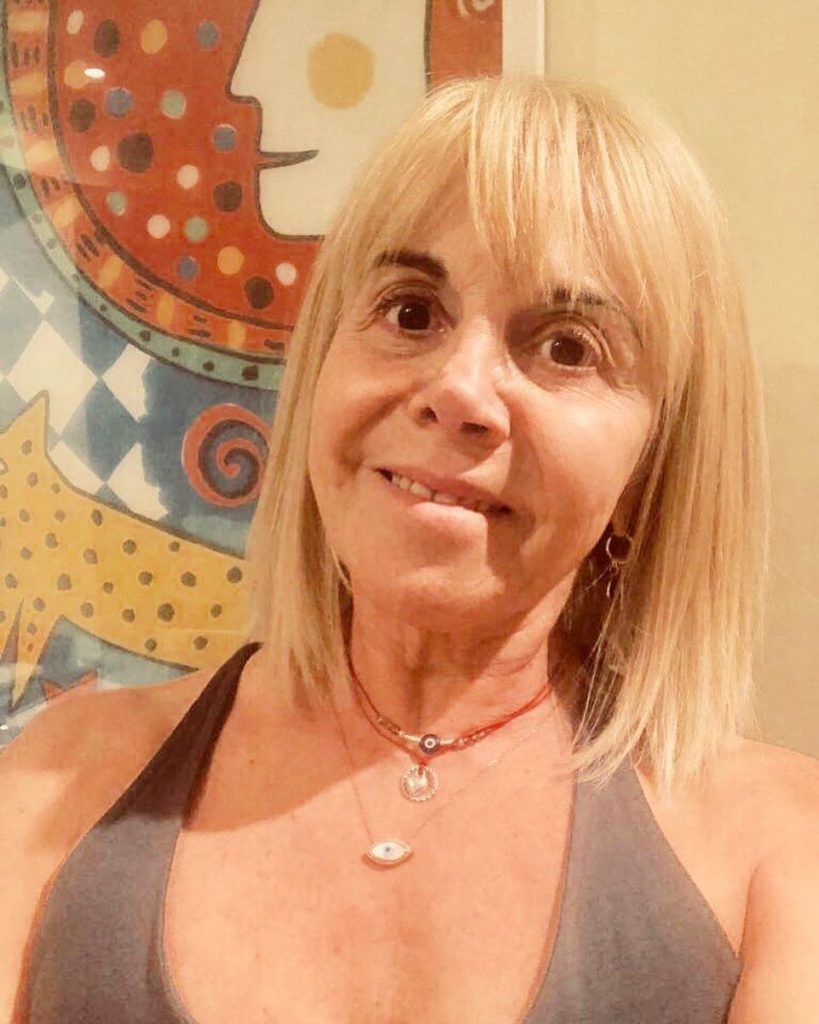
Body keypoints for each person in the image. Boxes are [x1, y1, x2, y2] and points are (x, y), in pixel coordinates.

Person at [2, 75, 818, 1024]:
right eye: (410, 312)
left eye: (566, 346)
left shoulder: (775, 854)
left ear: (651, 467)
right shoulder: (61, 781)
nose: (459, 390)